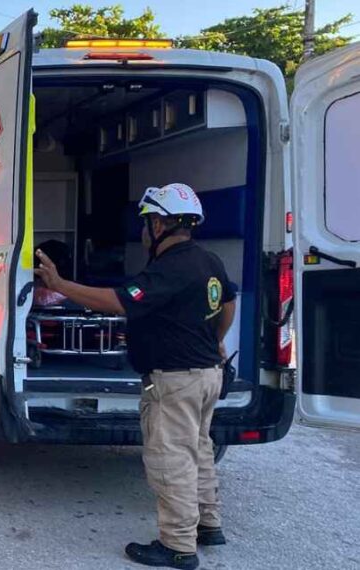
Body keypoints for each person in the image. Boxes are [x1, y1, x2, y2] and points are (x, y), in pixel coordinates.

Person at [34, 183, 236, 570]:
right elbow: (228, 302)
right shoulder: (208, 260)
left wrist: (59, 285)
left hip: (176, 379)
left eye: (147, 223)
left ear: (160, 224)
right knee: (199, 450)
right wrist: (217, 341)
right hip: (207, 373)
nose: (143, 231)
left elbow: (117, 302)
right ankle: (209, 525)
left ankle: (178, 546)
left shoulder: (169, 269)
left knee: (171, 459)